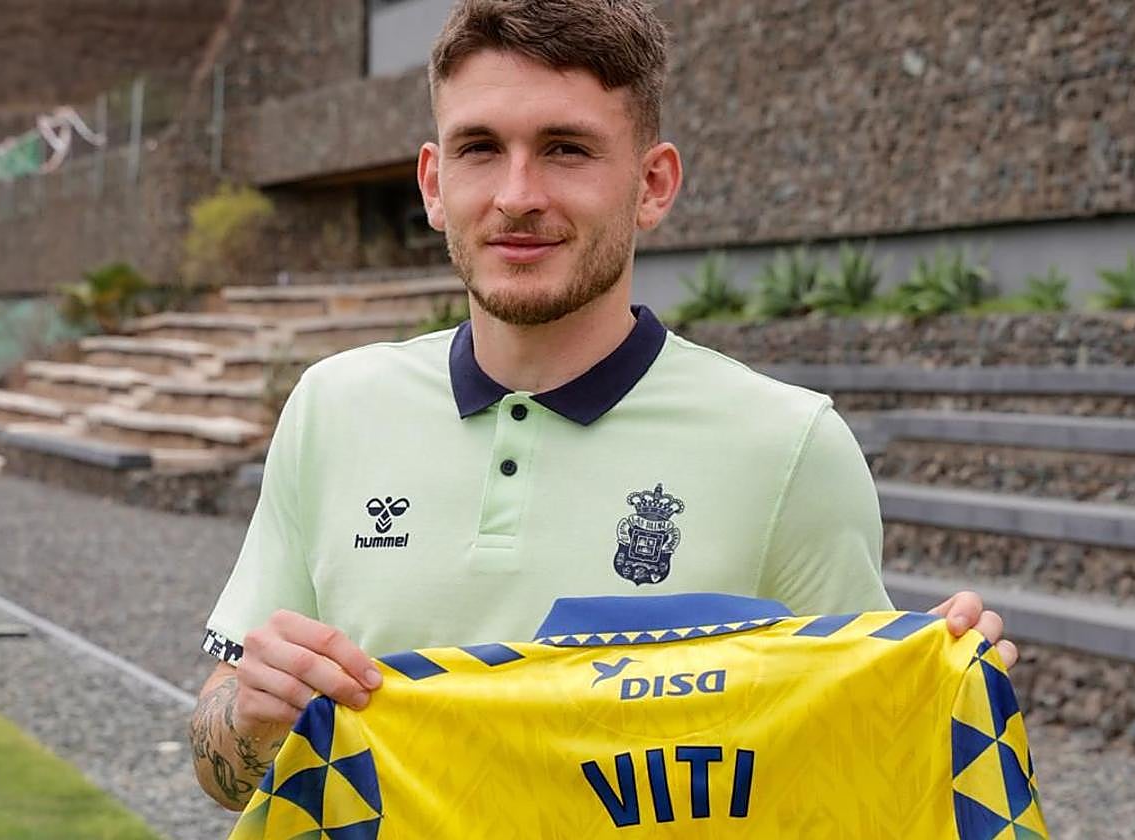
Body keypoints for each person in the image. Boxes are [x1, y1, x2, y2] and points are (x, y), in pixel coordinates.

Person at [190, 0, 1017, 811]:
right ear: (435, 184)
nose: (517, 194)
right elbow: (223, 771)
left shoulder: (789, 445)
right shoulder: (332, 408)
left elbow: (854, 769)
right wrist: (253, 719)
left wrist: (934, 692)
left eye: (566, 149)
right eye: (481, 148)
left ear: (653, 185)